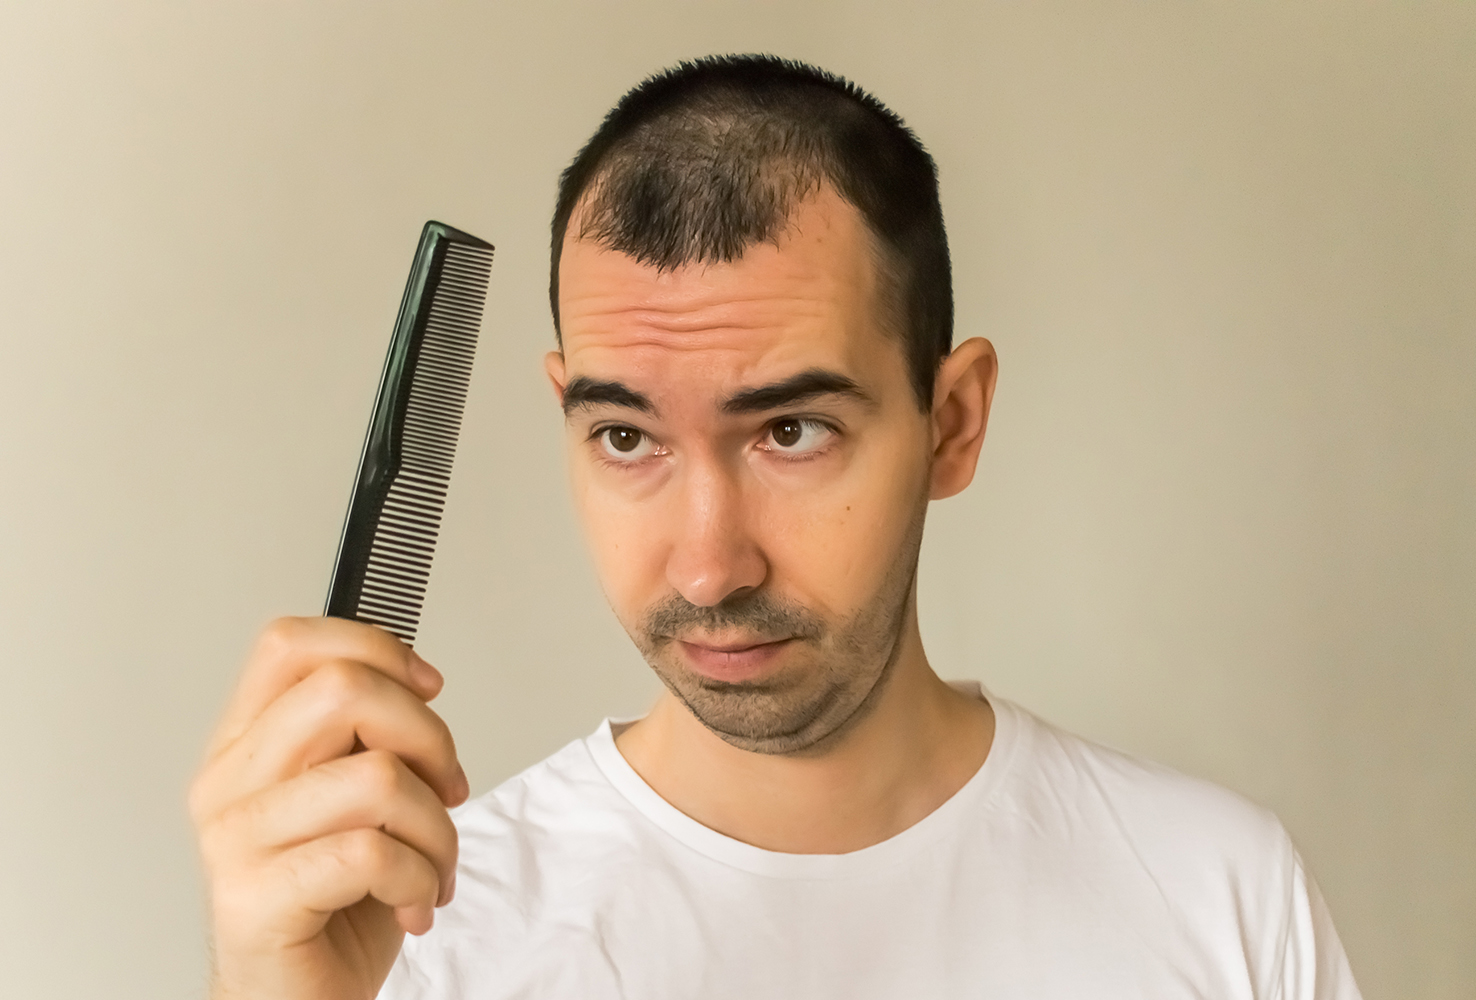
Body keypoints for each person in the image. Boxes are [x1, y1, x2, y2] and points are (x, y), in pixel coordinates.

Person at [190, 55, 1363, 1000]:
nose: (709, 568)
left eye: (791, 432)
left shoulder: (1218, 893)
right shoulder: (416, 928)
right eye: (627, 437)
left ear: (951, 422)